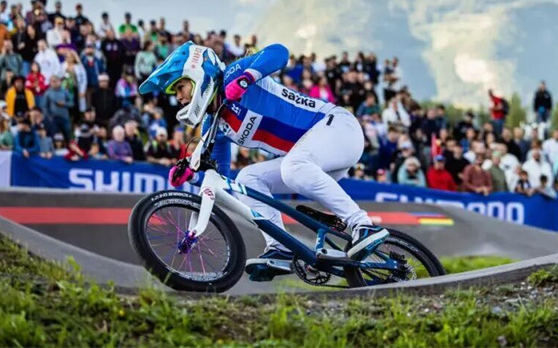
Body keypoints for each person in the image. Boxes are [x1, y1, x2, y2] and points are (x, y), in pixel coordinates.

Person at [139, 41, 388, 279]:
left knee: (293, 167)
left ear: (198, 77)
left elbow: (279, 52)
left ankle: (363, 225)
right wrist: (195, 177)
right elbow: (221, 180)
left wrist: (246, 78)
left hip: (339, 129)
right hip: (313, 158)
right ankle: (280, 248)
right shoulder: (214, 124)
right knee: (247, 179)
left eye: (180, 88)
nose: (179, 98)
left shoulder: (232, 74)